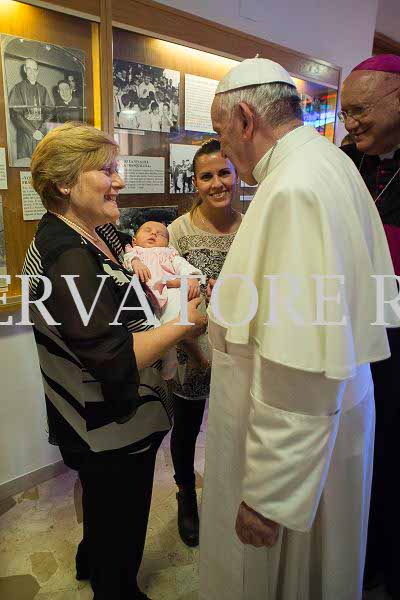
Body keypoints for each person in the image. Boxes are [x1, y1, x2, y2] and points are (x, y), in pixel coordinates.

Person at [199, 57, 398, 600]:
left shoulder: (293, 189)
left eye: (221, 132)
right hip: (335, 419)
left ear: (245, 119)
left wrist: (270, 494)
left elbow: (298, 364)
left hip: (300, 449)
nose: (224, 150)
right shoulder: (330, 163)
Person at [22, 123, 206, 600]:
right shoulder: (67, 255)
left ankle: (92, 558)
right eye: (106, 170)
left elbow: (121, 279)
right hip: (109, 426)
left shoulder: (93, 230)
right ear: (65, 183)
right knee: (122, 519)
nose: (119, 181)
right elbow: (114, 359)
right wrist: (186, 324)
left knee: (104, 510)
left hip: (104, 418)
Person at [340, 54, 400, 598]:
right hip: (350, 331)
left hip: (398, 339)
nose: (350, 123)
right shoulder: (345, 160)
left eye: (360, 110)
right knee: (360, 448)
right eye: (345, 112)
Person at [168, 138, 242, 546]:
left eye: (224, 173)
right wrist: (195, 350)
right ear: (194, 182)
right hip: (190, 349)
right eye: (207, 176)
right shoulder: (177, 232)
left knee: (234, 427)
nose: (217, 183)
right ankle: (185, 495)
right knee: (187, 427)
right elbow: (167, 296)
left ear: (235, 175)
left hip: (237, 347)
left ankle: (229, 495)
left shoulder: (250, 227)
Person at [123, 220, 205, 378]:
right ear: (134, 240)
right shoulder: (134, 252)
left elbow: (183, 265)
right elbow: (128, 260)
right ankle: (166, 359)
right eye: (147, 230)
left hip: (169, 292)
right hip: (145, 294)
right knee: (154, 330)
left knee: (172, 324)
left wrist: (191, 277)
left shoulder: (169, 253)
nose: (154, 233)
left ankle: (173, 359)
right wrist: (136, 263)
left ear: (167, 243)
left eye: (160, 234)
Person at [8, 58, 53, 160]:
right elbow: (15, 113)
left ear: (38, 71)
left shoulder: (43, 89)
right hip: (25, 136)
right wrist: (32, 131)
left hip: (41, 136)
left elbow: (50, 113)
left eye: (34, 69)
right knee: (25, 164)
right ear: (25, 69)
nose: (32, 72)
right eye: (29, 69)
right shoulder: (17, 88)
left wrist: (41, 130)